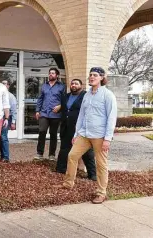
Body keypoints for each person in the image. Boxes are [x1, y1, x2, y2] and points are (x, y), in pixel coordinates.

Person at [56, 67, 117, 204]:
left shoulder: (108, 95)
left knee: (101, 165)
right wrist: (77, 133)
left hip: (100, 136)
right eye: (90, 75)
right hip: (84, 134)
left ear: (101, 77)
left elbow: (111, 118)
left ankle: (101, 193)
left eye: (95, 75)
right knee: (72, 156)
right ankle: (68, 183)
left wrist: (108, 138)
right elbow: (82, 116)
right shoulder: (87, 95)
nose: (91, 77)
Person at [56, 79, 96, 181]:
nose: (73, 85)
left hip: (80, 128)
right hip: (66, 126)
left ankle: (92, 174)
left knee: (87, 152)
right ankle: (61, 169)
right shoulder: (66, 96)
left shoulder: (86, 96)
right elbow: (65, 109)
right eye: (72, 83)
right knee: (64, 148)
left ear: (81, 85)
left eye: (76, 84)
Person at [34, 67, 66, 161]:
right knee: (42, 132)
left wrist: (60, 106)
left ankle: (52, 155)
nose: (51, 75)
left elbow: (65, 100)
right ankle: (39, 153)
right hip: (44, 113)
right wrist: (37, 110)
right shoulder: (44, 86)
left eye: (53, 73)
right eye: (50, 73)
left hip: (55, 114)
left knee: (53, 134)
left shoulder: (61, 86)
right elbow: (40, 99)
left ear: (57, 75)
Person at [0, 79, 17, 162]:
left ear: (8, 86)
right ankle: (2, 156)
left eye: (5, 84)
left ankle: (6, 157)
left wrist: (13, 122)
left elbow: (14, 111)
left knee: (3, 137)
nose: (3, 85)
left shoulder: (11, 96)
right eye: (2, 83)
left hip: (7, 118)